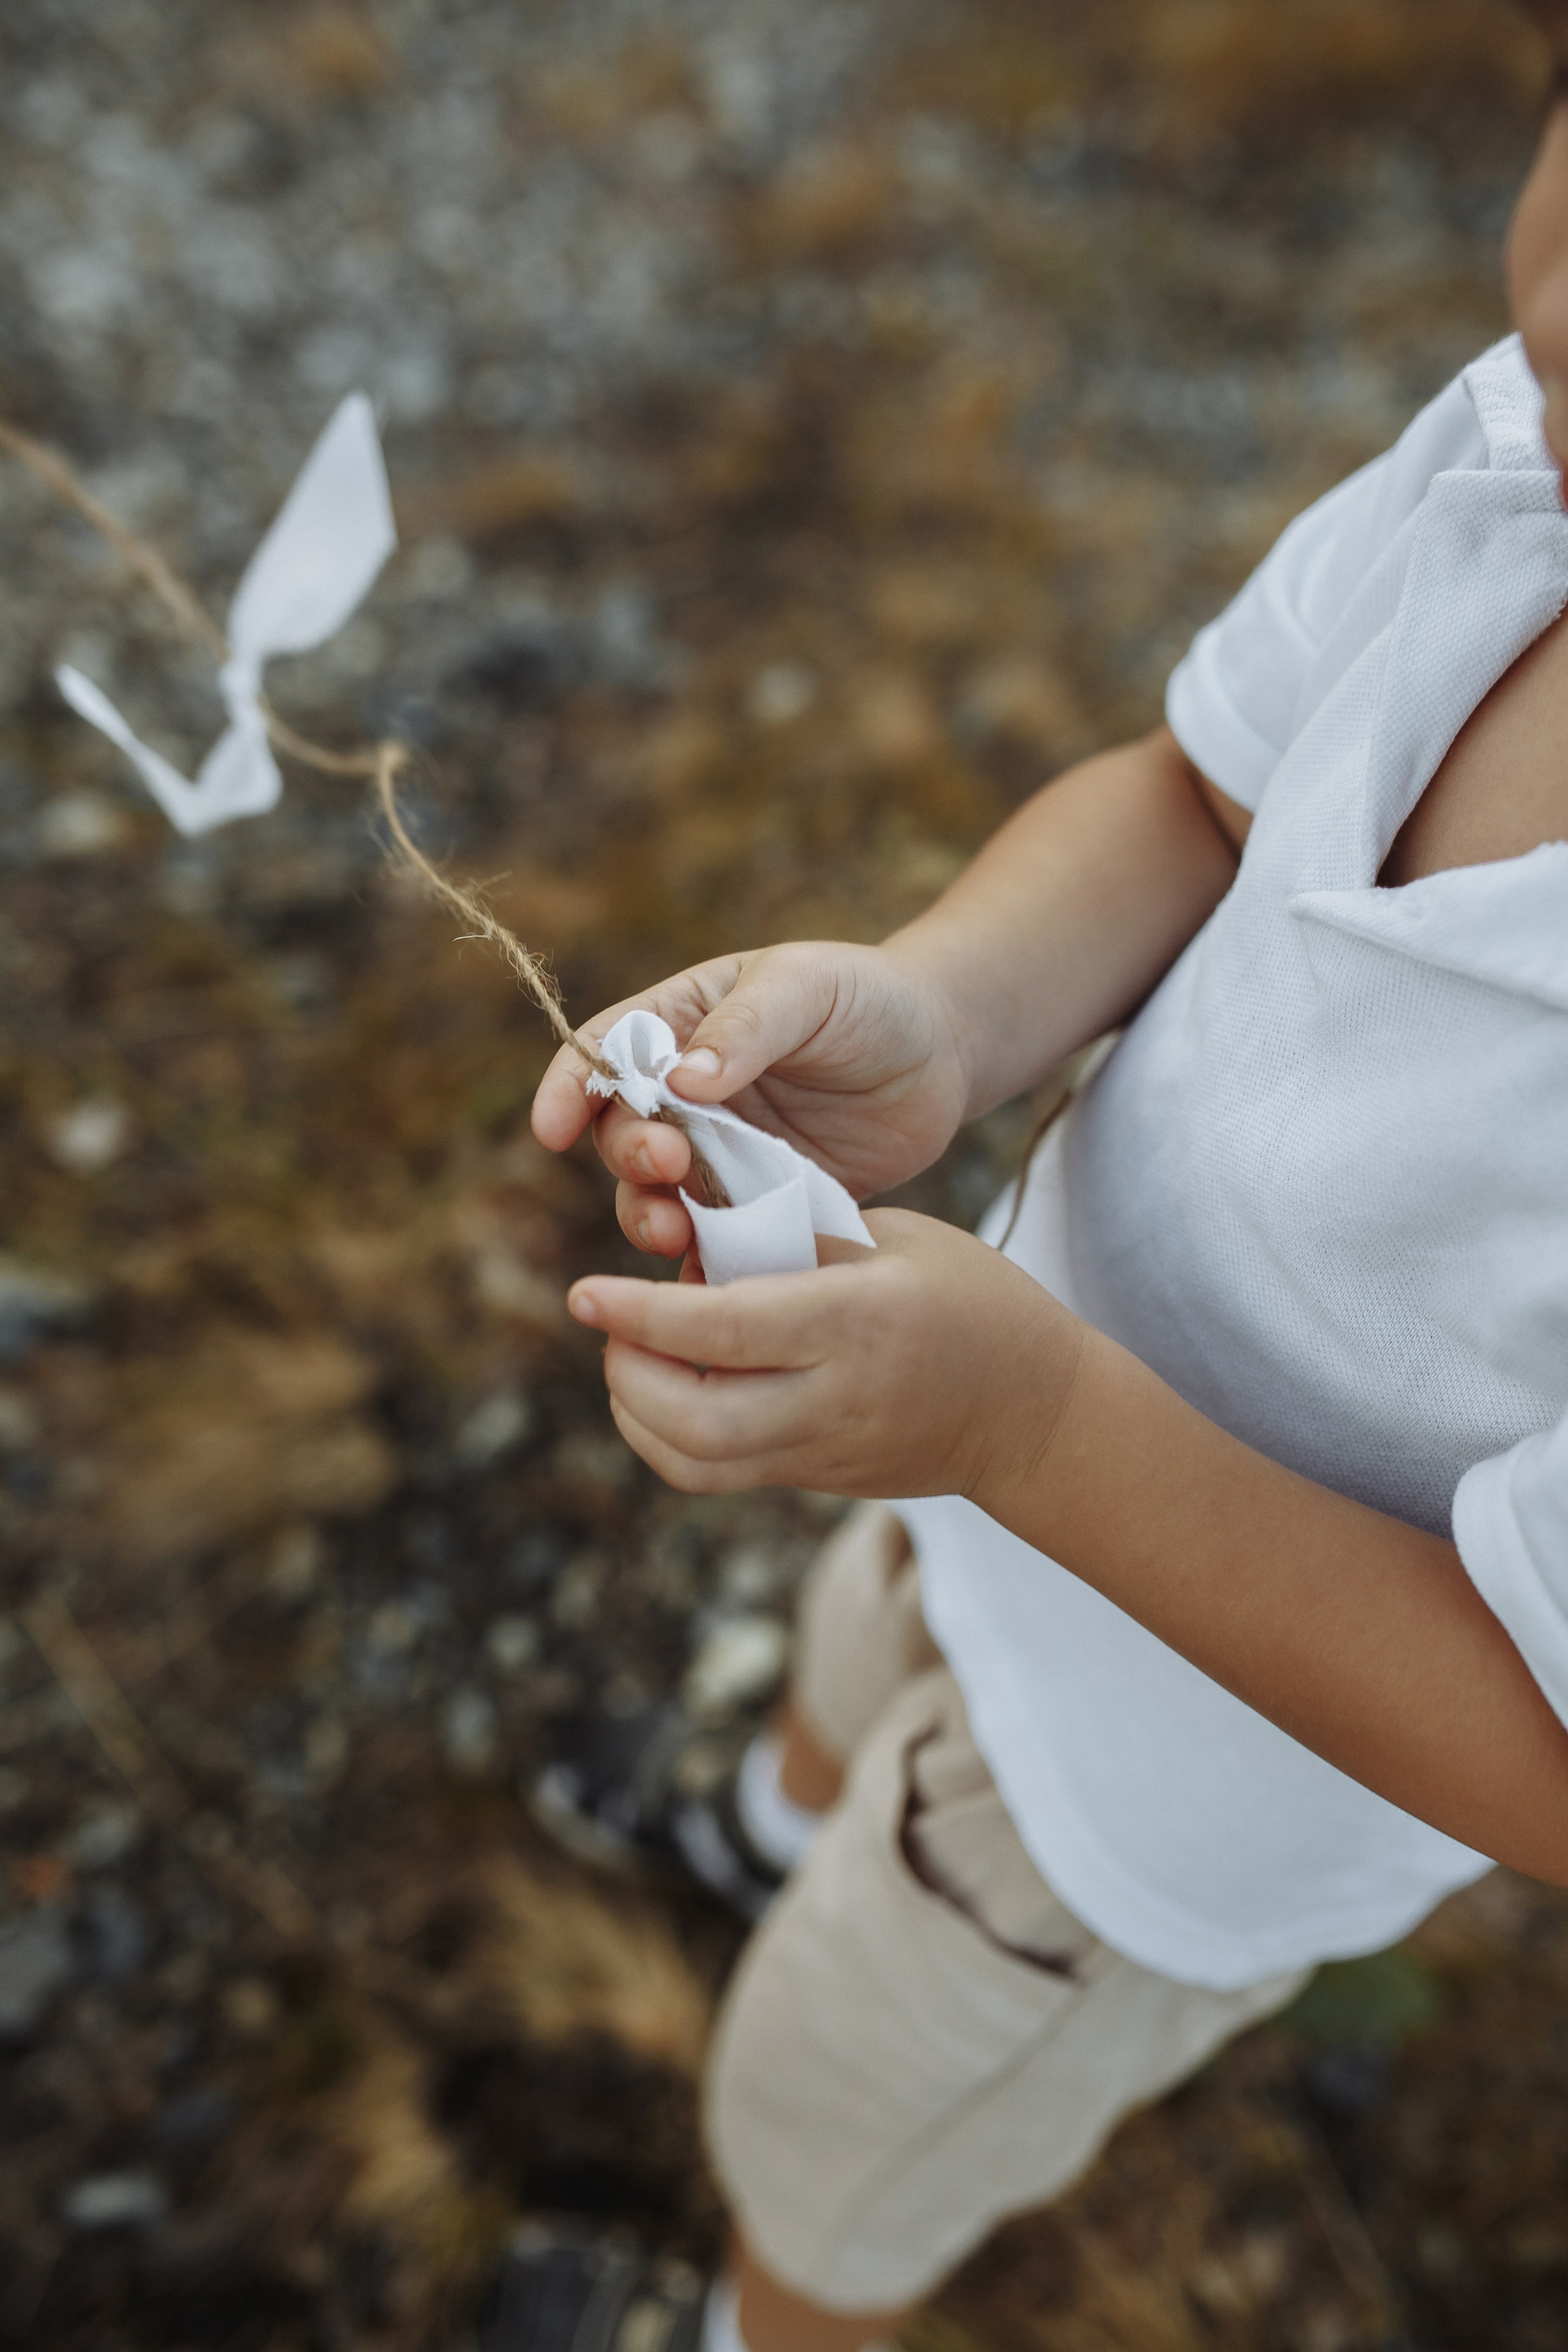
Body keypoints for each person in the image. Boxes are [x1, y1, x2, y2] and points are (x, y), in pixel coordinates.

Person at [494, 7, 1568, 2347]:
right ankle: (762, 1828)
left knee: (830, 2121)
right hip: (982, 1398)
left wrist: (1034, 1426)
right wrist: (953, 1012)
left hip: (1140, 1808)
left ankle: (751, 2318)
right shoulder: (1522, 451)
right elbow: (1198, 797)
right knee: (855, 1644)